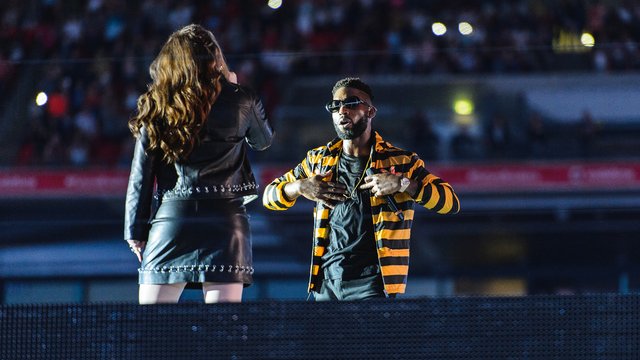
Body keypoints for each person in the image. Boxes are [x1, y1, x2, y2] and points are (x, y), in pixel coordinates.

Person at [262, 77, 459, 301]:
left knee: (365, 337)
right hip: (326, 283)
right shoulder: (318, 160)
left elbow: (450, 203)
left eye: (352, 103)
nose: (342, 110)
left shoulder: (400, 162)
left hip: (373, 285)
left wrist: (403, 183)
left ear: (371, 112)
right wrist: (299, 187)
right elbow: (269, 197)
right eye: (335, 106)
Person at [124, 24, 274, 304]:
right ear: (215, 57)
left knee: (152, 333)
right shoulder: (241, 97)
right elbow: (263, 141)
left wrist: (134, 230)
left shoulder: (158, 103)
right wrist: (233, 87)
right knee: (223, 332)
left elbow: (141, 176)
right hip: (226, 221)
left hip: (172, 221)